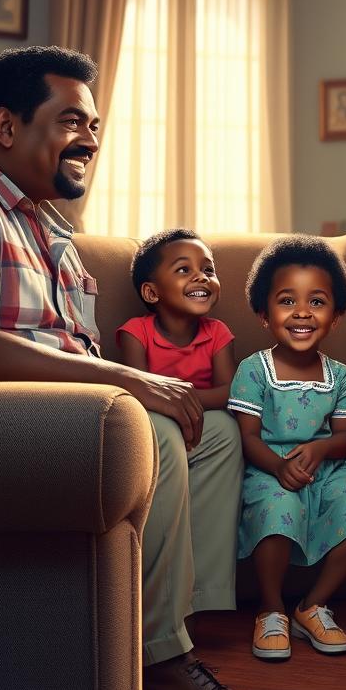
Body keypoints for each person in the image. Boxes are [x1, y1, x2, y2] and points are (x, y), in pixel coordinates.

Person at [0, 45, 285, 690]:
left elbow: (72, 350)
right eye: (72, 120)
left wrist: (135, 388)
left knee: (209, 431)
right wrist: (130, 380)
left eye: (95, 124)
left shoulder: (47, 230)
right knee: (150, 427)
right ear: (6, 127)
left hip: (56, 420)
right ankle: (164, 671)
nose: (91, 139)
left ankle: (169, 629)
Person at [229, 236, 346, 661]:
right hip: (269, 469)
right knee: (277, 513)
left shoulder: (341, 377)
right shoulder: (254, 371)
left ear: (337, 316)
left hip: (327, 469)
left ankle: (312, 606)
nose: (302, 312)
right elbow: (249, 437)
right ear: (263, 313)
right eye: (287, 300)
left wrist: (322, 447)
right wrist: (278, 466)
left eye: (317, 301)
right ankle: (270, 609)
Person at [116, 227, 244, 634]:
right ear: (152, 293)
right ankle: (160, 608)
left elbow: (228, 393)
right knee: (165, 432)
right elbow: (136, 390)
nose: (201, 277)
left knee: (227, 428)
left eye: (208, 269)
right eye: (184, 269)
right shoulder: (135, 332)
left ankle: (203, 599)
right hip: (153, 430)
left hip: (200, 426)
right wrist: (173, 404)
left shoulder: (217, 333)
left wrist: (181, 399)